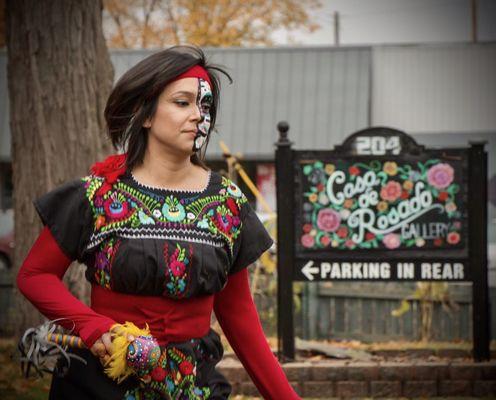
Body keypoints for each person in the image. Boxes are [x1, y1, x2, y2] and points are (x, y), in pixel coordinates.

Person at [17, 45, 301, 400]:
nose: (199, 115)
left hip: (193, 388)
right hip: (98, 386)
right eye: (182, 102)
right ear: (145, 114)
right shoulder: (97, 195)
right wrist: (91, 326)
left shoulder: (228, 204)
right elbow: (34, 275)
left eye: (206, 105)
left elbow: (239, 316)